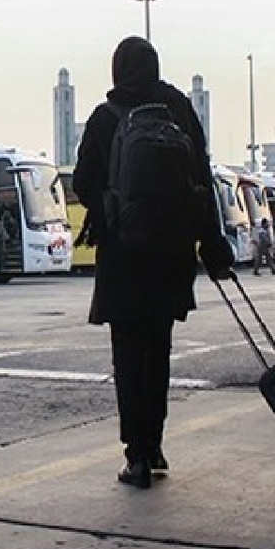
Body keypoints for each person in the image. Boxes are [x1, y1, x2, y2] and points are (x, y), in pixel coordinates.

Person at [72, 36, 233, 490]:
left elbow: (84, 180)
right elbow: (202, 178)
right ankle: (156, 443)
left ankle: (136, 455)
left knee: (128, 352)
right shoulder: (179, 110)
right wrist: (211, 243)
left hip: (124, 254)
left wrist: (111, 204)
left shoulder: (105, 118)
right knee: (158, 349)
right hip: (172, 252)